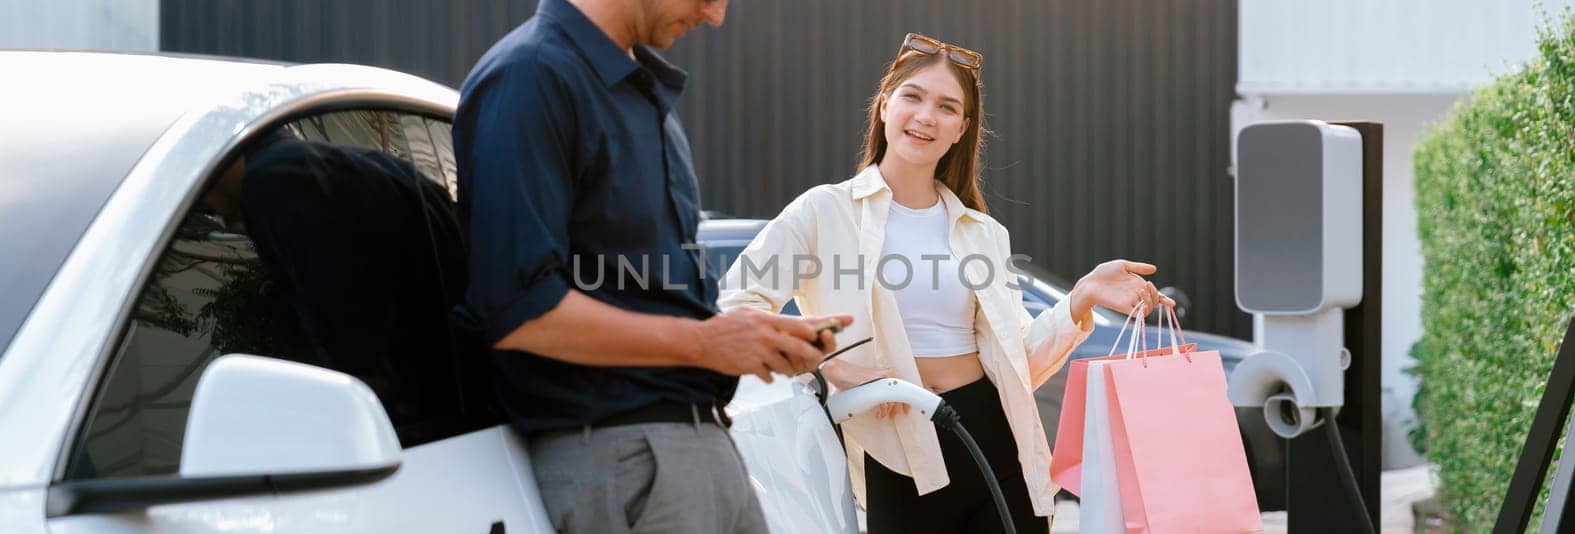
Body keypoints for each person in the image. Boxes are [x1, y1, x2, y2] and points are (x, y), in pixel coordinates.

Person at [718, 33, 1174, 533]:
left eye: (946, 106)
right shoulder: (823, 211)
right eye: (913, 96)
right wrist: (832, 368)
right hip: (888, 446)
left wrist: (1081, 296)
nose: (926, 116)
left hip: (990, 440)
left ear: (962, 128)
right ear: (886, 104)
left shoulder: (983, 234)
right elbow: (736, 304)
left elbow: (1016, 363)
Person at [452, 0, 851, 532]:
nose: (716, 16)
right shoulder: (530, 77)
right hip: (627, 460)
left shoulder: (638, 91)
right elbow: (520, 308)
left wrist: (750, 339)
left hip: (700, 449)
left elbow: (643, 297)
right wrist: (706, 343)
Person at [201, 129, 499, 446]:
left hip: (429, 435)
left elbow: (357, 360)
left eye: (204, 205)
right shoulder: (343, 168)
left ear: (213, 161)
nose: (220, 219)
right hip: (479, 413)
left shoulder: (274, 183)